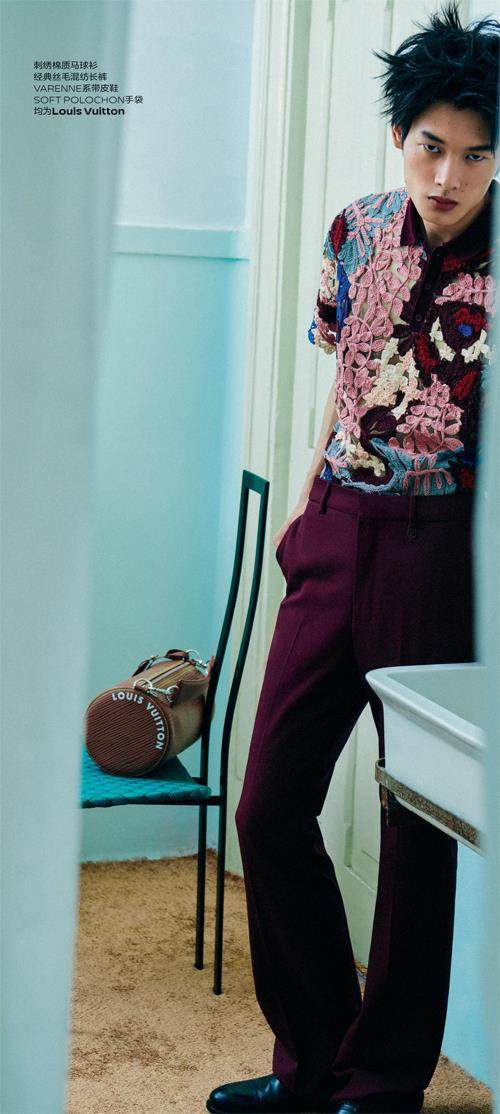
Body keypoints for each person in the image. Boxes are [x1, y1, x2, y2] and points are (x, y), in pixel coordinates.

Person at [207, 3, 500, 1112]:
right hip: (333, 530)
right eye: (431, 145)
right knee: (268, 805)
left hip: (435, 550)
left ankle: (380, 1086)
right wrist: (310, 517)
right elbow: (342, 378)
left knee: (416, 829)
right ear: (398, 136)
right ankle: (315, 1059)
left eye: (475, 154)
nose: (448, 175)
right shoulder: (354, 230)